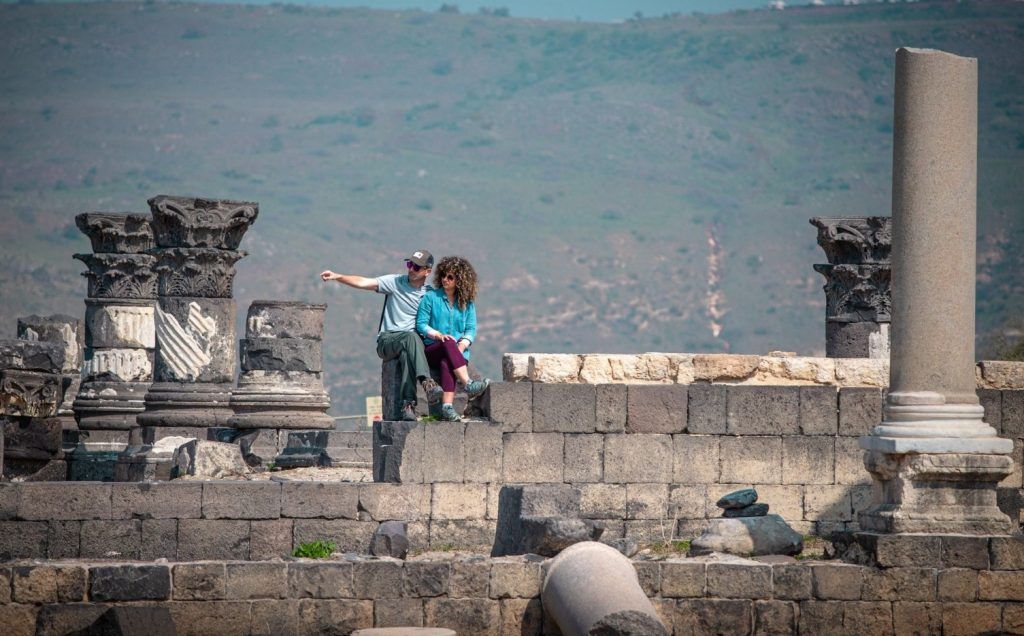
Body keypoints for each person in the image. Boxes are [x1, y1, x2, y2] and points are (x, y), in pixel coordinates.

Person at [320, 250, 442, 421]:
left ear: (427, 271)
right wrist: (337, 276)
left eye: (416, 266)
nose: (411, 269)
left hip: (409, 344)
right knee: (411, 338)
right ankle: (427, 381)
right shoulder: (395, 282)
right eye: (409, 264)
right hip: (387, 340)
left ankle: (408, 405)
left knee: (409, 352)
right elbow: (364, 282)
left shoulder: (429, 294)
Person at [415, 255, 490, 421]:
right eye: (443, 275)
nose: (445, 279)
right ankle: (468, 383)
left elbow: (471, 329)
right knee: (448, 342)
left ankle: (447, 407)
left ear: (460, 280)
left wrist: (462, 345)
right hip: (432, 349)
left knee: (447, 361)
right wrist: (438, 335)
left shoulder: (467, 303)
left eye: (450, 277)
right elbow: (421, 324)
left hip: (456, 352)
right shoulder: (430, 298)